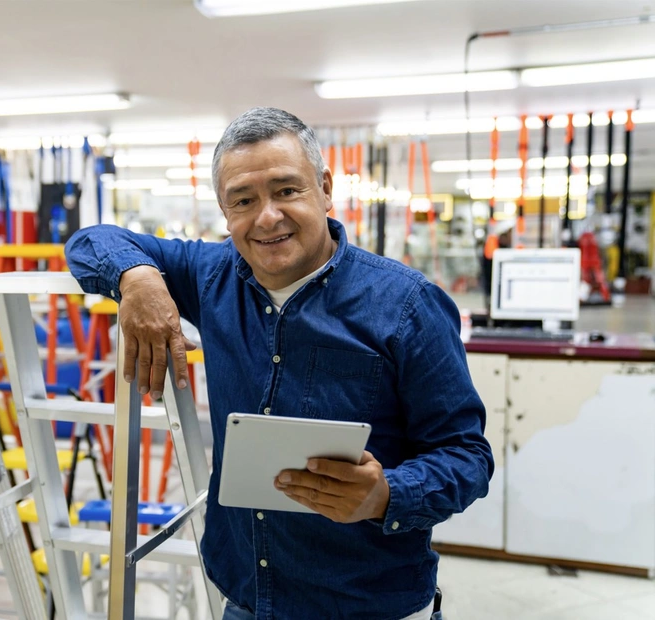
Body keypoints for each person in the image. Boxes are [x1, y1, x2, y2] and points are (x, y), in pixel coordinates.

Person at [65, 107, 493, 620]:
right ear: (225, 214)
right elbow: (90, 241)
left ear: (325, 189)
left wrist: (385, 495)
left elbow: (467, 456)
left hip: (369, 605)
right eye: (243, 201)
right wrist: (137, 277)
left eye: (287, 190)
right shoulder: (211, 275)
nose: (267, 216)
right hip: (245, 599)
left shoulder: (407, 305)